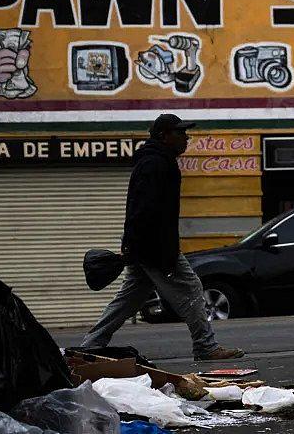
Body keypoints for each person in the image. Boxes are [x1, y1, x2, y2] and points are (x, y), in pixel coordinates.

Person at [80, 114, 244, 361]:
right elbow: (143, 209)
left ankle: (90, 346)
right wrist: (146, 248)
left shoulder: (158, 161)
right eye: (179, 133)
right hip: (155, 247)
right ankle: (206, 347)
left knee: (128, 299)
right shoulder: (155, 164)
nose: (185, 138)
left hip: (146, 246)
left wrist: (133, 246)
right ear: (164, 136)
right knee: (192, 288)